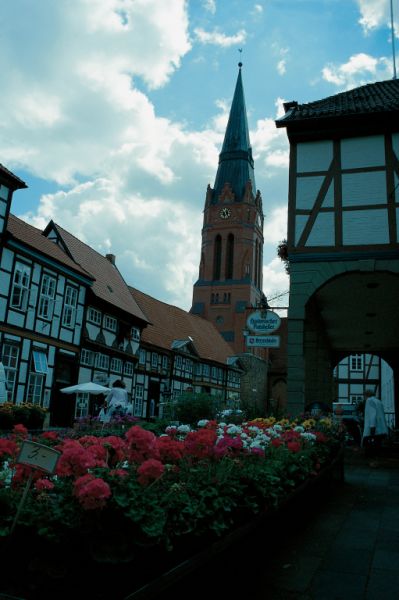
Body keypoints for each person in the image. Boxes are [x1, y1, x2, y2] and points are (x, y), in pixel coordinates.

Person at [361, 390, 388, 461]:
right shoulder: (378, 401)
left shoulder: (369, 401)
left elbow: (372, 415)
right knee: (377, 447)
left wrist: (372, 428)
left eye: (364, 396)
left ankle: (372, 462)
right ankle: (375, 461)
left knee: (370, 448)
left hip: (374, 429)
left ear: (366, 395)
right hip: (381, 429)